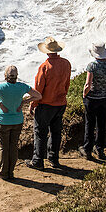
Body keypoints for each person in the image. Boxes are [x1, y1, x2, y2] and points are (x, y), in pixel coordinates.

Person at [0, 65, 42, 180]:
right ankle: (11, 172)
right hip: (17, 121)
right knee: (13, 147)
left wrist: (0, 104)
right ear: (17, 76)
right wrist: (24, 101)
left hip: (3, 122)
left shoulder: (1, 87)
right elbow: (38, 95)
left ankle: (3, 172)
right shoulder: (22, 87)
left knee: (3, 148)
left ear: (5, 76)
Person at [27, 37, 71, 169]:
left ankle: (38, 161)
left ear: (46, 51)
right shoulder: (66, 63)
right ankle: (54, 159)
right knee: (56, 132)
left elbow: (38, 89)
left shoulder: (45, 67)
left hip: (46, 105)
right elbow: (67, 84)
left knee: (40, 132)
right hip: (60, 103)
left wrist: (33, 104)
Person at [82, 44, 106, 160]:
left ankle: (87, 150)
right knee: (101, 124)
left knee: (90, 124)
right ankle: (100, 150)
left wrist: (84, 94)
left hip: (92, 99)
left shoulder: (92, 66)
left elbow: (88, 84)